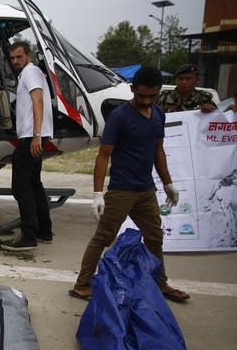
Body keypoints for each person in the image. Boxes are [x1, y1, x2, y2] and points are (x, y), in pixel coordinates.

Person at [69, 66, 189, 303]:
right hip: (122, 190)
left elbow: (158, 151)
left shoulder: (158, 114)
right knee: (103, 237)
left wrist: (167, 183)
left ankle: (160, 282)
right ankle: (82, 284)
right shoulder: (120, 117)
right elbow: (103, 155)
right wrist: (97, 193)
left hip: (146, 190)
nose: (146, 100)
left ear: (158, 93)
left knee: (155, 237)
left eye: (152, 96)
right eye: (141, 95)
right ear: (132, 89)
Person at [1, 41, 53, 251]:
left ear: (28, 55)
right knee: (33, 184)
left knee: (20, 186)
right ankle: (44, 230)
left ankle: (29, 235)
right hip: (32, 135)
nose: (15, 61)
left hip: (32, 136)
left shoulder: (31, 72)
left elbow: (37, 101)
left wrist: (36, 136)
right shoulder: (30, 73)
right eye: (12, 58)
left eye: (19, 57)